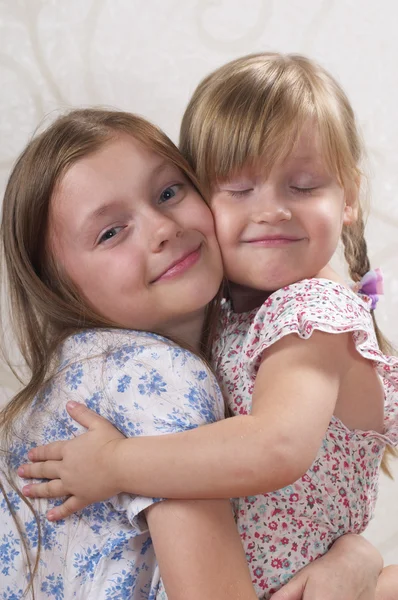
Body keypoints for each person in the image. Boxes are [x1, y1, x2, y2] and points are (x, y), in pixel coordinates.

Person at [20, 54, 398, 599]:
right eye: (239, 190)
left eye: (304, 185)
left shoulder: (312, 314)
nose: (271, 211)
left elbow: (275, 446)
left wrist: (115, 463)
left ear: (349, 199)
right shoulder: (217, 323)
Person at [0, 108, 260, 599]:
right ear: (57, 287)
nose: (162, 228)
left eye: (168, 193)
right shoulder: (152, 374)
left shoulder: (82, 369)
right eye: (111, 232)